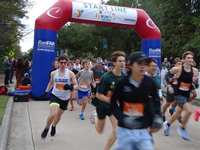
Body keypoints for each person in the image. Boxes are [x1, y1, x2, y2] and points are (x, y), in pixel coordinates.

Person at [111, 51, 162, 150]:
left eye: (145, 64)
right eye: (139, 63)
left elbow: (156, 101)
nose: (143, 66)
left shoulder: (149, 82)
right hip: (125, 129)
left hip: (143, 129)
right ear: (130, 65)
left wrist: (158, 116)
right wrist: (122, 118)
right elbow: (113, 103)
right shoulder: (122, 83)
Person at [163, 51, 199, 140]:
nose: (190, 59)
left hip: (187, 94)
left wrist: (194, 87)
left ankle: (167, 124)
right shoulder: (178, 69)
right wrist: (169, 86)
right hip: (178, 93)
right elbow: (167, 76)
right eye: (188, 58)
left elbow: (195, 84)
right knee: (190, 111)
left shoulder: (195, 71)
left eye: (191, 58)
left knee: (177, 112)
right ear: (184, 60)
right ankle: (182, 128)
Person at [94, 51, 126, 150]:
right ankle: (94, 116)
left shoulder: (125, 77)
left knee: (117, 130)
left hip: (114, 107)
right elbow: (98, 95)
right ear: (114, 63)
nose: (122, 63)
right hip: (102, 105)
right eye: (120, 61)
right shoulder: (106, 77)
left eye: (124, 61)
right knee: (99, 130)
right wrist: (110, 99)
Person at [41, 56, 78, 138]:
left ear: (67, 64)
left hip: (65, 98)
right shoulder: (53, 73)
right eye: (61, 62)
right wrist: (46, 91)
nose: (63, 64)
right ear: (58, 63)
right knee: (53, 114)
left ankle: (53, 126)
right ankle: (46, 128)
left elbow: (76, 85)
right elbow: (51, 83)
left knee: (58, 116)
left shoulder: (70, 73)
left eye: (65, 63)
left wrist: (71, 87)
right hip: (55, 96)